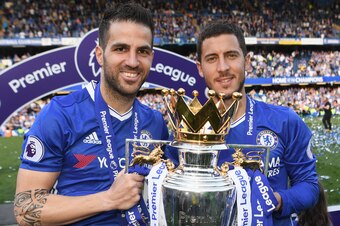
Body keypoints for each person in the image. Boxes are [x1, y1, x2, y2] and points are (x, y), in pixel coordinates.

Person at [14, 2, 169, 225]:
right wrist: (109, 199)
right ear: (99, 54)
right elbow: (24, 209)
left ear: (151, 58)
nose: (133, 61)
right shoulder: (61, 114)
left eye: (142, 51)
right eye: (120, 49)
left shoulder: (155, 121)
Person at [195, 21, 319, 226]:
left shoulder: (285, 121)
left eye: (231, 55)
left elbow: (310, 185)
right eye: (212, 58)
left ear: (248, 61)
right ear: (200, 68)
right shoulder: (186, 133)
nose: (223, 67)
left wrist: (279, 201)